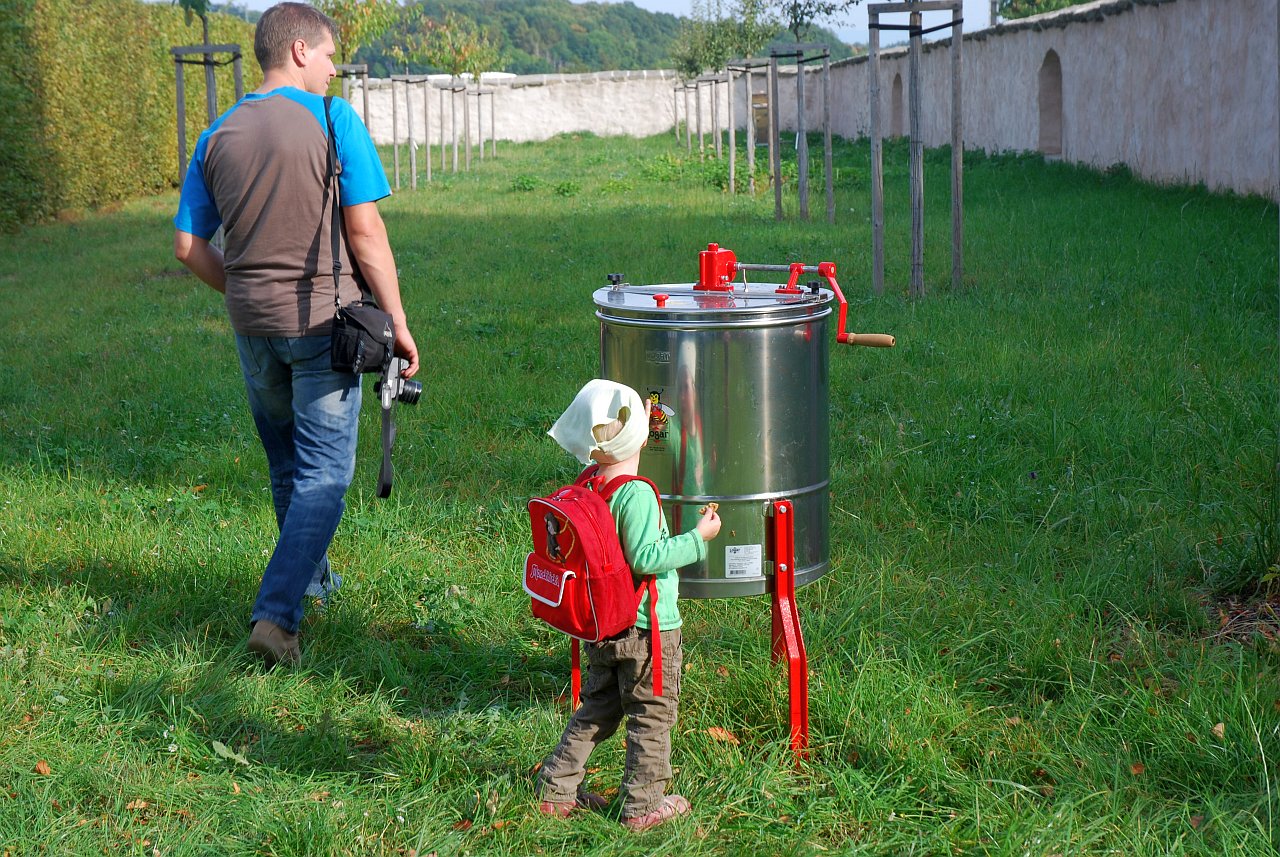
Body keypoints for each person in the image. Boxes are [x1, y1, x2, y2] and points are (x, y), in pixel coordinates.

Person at [172, 2, 419, 667]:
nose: (334, 69)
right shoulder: (334, 120)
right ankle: (277, 617)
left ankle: (313, 583)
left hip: (253, 328)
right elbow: (365, 231)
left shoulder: (215, 134)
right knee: (325, 476)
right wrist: (397, 321)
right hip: (322, 325)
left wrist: (246, 291)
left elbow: (188, 246)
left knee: (288, 466)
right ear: (301, 50)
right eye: (330, 55)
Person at [536, 380, 721, 831]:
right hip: (646, 629)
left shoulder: (591, 483)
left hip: (605, 625)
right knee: (651, 717)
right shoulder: (634, 493)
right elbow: (646, 558)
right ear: (640, 438)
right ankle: (642, 806)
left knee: (597, 709)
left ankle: (555, 788)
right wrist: (699, 538)